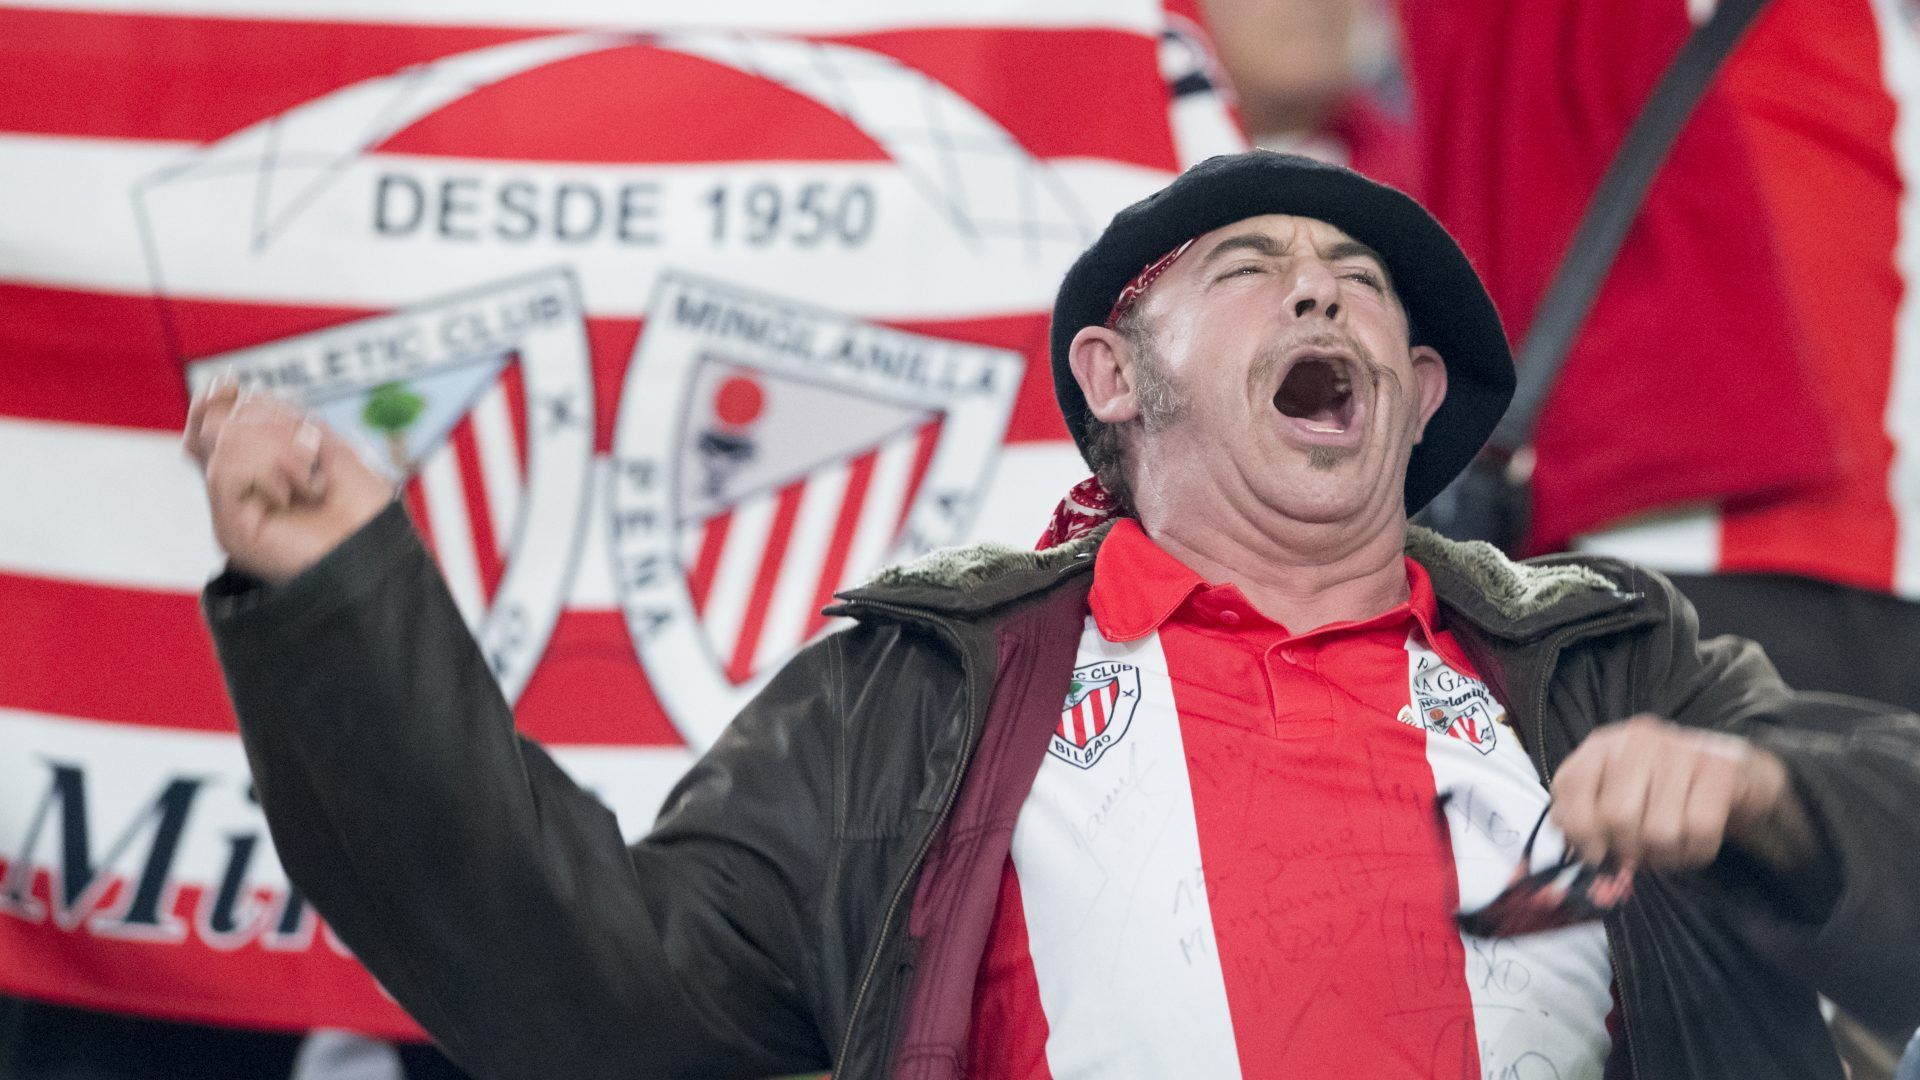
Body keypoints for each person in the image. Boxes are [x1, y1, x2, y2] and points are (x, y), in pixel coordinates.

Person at [187, 152, 1920, 1079]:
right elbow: (603, 999)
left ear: (1413, 392)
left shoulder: (1612, 659)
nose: (1322, 284)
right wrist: (342, 605)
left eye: (1367, 287)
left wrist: (1771, 802)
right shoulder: (922, 690)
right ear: (1114, 373)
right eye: (1252, 269)